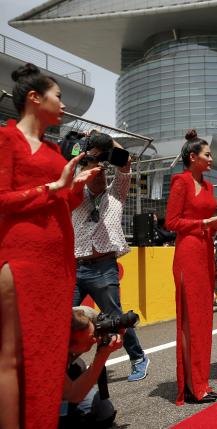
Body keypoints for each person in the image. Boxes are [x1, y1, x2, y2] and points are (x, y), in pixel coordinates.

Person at [0, 63, 99, 429]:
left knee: (47, 356)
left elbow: (63, 203)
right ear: (34, 97)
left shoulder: (55, 149)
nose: (63, 105)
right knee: (12, 357)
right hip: (22, 257)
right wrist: (53, 188)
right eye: (58, 97)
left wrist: (77, 186)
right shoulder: (6, 140)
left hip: (57, 262)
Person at [71, 132, 150, 383]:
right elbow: (74, 166)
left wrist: (103, 142)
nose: (98, 175)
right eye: (93, 171)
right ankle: (64, 364)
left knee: (115, 318)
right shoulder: (77, 195)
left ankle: (138, 357)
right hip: (75, 266)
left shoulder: (116, 193)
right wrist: (87, 151)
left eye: (101, 171)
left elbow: (124, 163)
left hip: (104, 267)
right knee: (64, 316)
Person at [165, 129, 217, 404]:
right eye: (207, 155)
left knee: (203, 320)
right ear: (193, 157)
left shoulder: (206, 186)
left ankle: (200, 381)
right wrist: (205, 224)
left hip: (206, 251)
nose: (211, 159)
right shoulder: (180, 182)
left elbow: (208, 218)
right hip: (188, 253)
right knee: (191, 320)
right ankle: (192, 386)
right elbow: (171, 222)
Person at [60, 307, 123, 428]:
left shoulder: (80, 315)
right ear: (67, 344)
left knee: (105, 411)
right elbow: (73, 394)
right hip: (32, 397)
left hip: (68, 374)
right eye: (91, 337)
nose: (95, 339)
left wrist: (115, 331)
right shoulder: (49, 355)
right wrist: (103, 353)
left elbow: (102, 320)